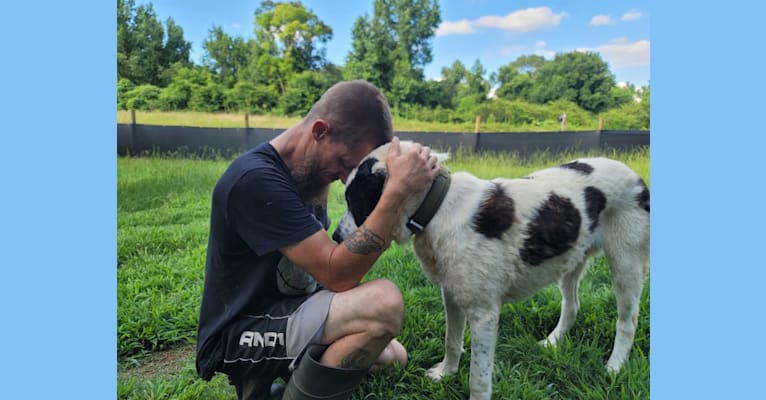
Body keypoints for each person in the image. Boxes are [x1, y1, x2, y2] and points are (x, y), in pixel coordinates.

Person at [195, 80, 440, 400]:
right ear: (320, 130)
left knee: (392, 355)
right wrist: (396, 194)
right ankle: (275, 387)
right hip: (241, 333)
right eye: (344, 164)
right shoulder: (255, 179)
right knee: (384, 304)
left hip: (291, 311)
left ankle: (285, 383)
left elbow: (328, 272)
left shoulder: (310, 176)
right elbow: (336, 273)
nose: (343, 178)